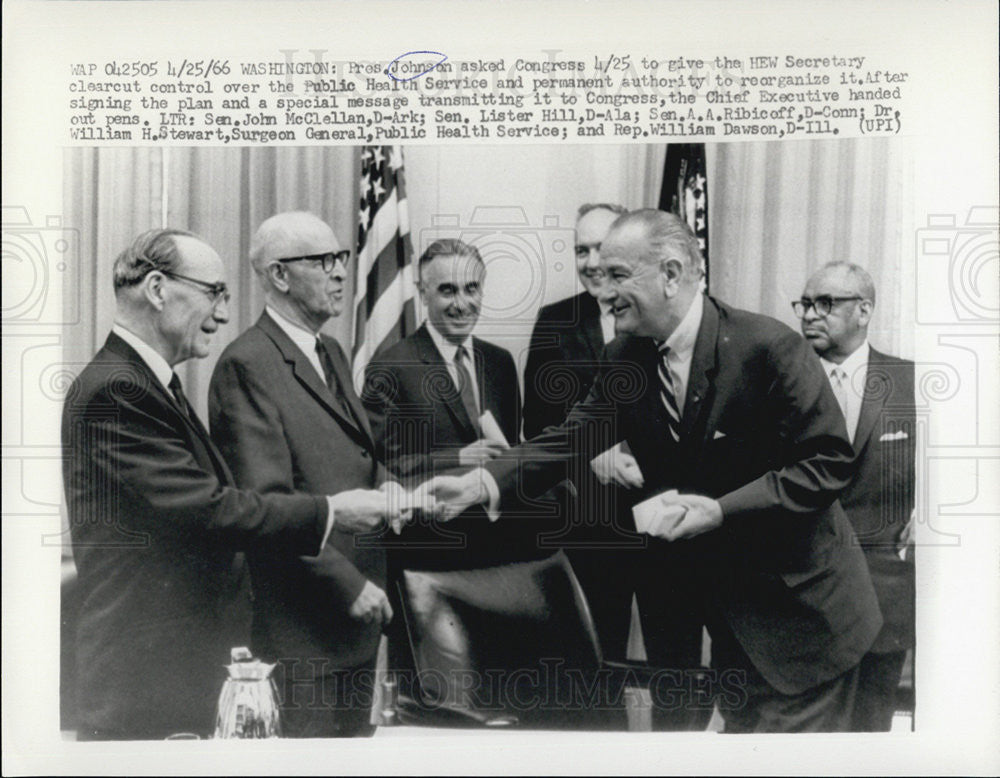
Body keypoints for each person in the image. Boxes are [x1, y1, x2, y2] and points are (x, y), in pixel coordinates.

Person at [429, 209, 883, 733]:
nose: (604, 291)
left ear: (670, 274)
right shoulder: (626, 356)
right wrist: (484, 481)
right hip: (736, 636)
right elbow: (574, 436)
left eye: (619, 275)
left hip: (805, 626)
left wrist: (719, 510)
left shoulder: (769, 348)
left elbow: (827, 464)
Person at [62, 228, 398, 740]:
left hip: (175, 673)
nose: (223, 312)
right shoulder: (116, 390)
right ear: (157, 289)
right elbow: (208, 512)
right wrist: (330, 512)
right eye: (213, 292)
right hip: (144, 688)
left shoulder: (148, 384)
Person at [208, 212, 398, 738]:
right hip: (303, 625)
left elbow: (348, 451)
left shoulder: (330, 350)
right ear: (279, 276)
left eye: (340, 258)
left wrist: (386, 482)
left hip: (358, 616)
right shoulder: (245, 364)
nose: (339, 273)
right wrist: (347, 584)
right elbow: (265, 502)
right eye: (322, 261)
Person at [522, 203, 704, 730]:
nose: (591, 261)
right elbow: (543, 425)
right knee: (593, 659)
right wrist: (595, 455)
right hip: (593, 525)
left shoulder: (665, 322)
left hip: (664, 521)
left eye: (602, 250)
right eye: (581, 249)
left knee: (676, 660)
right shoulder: (556, 321)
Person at [797, 262, 915, 731]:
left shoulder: (910, 383)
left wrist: (927, 510)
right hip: (804, 598)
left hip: (882, 592)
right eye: (804, 304)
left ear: (864, 310)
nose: (809, 315)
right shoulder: (781, 382)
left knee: (871, 730)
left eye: (825, 304)